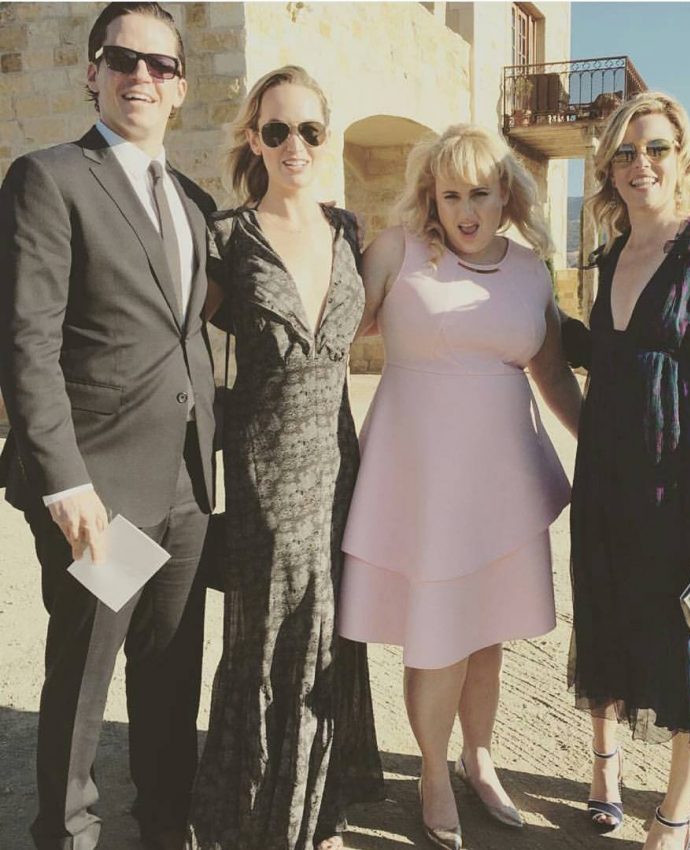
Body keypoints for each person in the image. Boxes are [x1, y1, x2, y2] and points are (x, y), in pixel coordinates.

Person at [0, 4, 216, 850]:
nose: (141, 77)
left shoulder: (193, 201)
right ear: (93, 71)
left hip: (186, 492)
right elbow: (27, 342)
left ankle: (163, 826)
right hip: (103, 495)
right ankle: (65, 834)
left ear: (181, 89)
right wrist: (65, 481)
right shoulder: (49, 179)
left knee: (171, 680)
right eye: (122, 59)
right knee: (86, 682)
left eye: (161, 66)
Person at [338, 124, 583, 850]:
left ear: (506, 193)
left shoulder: (532, 269)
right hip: (422, 478)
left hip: (504, 476)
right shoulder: (397, 251)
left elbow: (551, 372)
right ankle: (433, 773)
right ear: (431, 197)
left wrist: (603, 448)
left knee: (487, 632)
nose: (466, 211)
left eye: (480, 193)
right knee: (438, 634)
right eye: (451, 196)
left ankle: (480, 758)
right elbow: (330, 336)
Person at [564, 92, 690, 850]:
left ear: (681, 157)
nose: (640, 164)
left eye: (655, 148)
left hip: (685, 479)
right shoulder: (610, 255)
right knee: (607, 610)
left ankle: (676, 813)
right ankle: (604, 768)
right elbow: (604, 363)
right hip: (608, 478)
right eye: (625, 151)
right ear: (608, 167)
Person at [186, 66, 384, 850]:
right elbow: (177, 335)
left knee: (332, 640)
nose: (293, 144)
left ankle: (316, 812)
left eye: (308, 130)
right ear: (254, 138)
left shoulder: (348, 231)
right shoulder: (228, 238)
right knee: (266, 645)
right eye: (277, 130)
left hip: (339, 465)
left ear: (324, 137)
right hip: (265, 468)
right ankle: (253, 817)